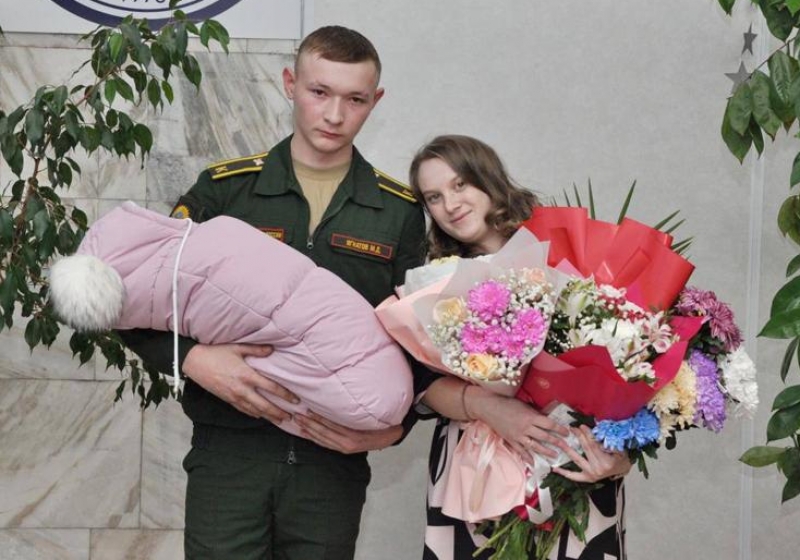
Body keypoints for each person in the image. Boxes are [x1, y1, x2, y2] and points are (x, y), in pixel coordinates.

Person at [120, 26, 426, 560]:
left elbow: (420, 343)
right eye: (319, 92)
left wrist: (393, 432)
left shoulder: (399, 211)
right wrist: (190, 358)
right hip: (229, 453)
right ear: (290, 83)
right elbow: (136, 295)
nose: (335, 115)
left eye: (355, 99)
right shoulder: (225, 189)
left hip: (331, 464)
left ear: (375, 101)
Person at [407, 134, 632, 560]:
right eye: (433, 197)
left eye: (460, 184)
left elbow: (635, 365)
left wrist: (622, 455)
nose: (450, 204)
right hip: (472, 472)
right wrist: (490, 407)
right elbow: (420, 387)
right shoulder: (430, 283)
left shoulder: (570, 253)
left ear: (487, 178)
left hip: (575, 463)